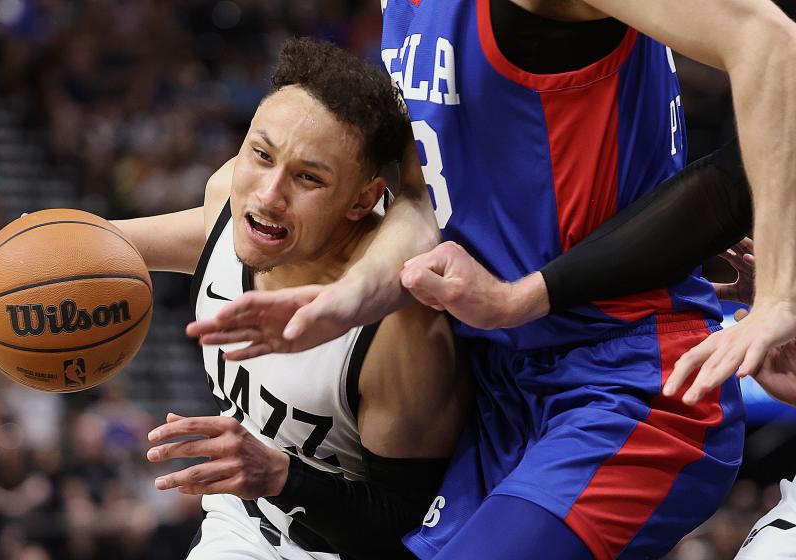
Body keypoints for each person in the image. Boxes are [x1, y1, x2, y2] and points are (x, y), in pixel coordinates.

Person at [190, 2, 796, 558]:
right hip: (503, 386)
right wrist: (348, 299)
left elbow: (773, 45)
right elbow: (420, 199)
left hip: (625, 383)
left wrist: (779, 294)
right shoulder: (404, 10)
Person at [120, 38, 466, 559]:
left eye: (308, 177)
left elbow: (407, 530)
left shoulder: (399, 328)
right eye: (261, 154)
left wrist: (284, 476)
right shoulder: (233, 206)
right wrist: (35, 255)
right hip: (239, 526)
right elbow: (166, 240)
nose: (267, 194)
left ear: (362, 200)